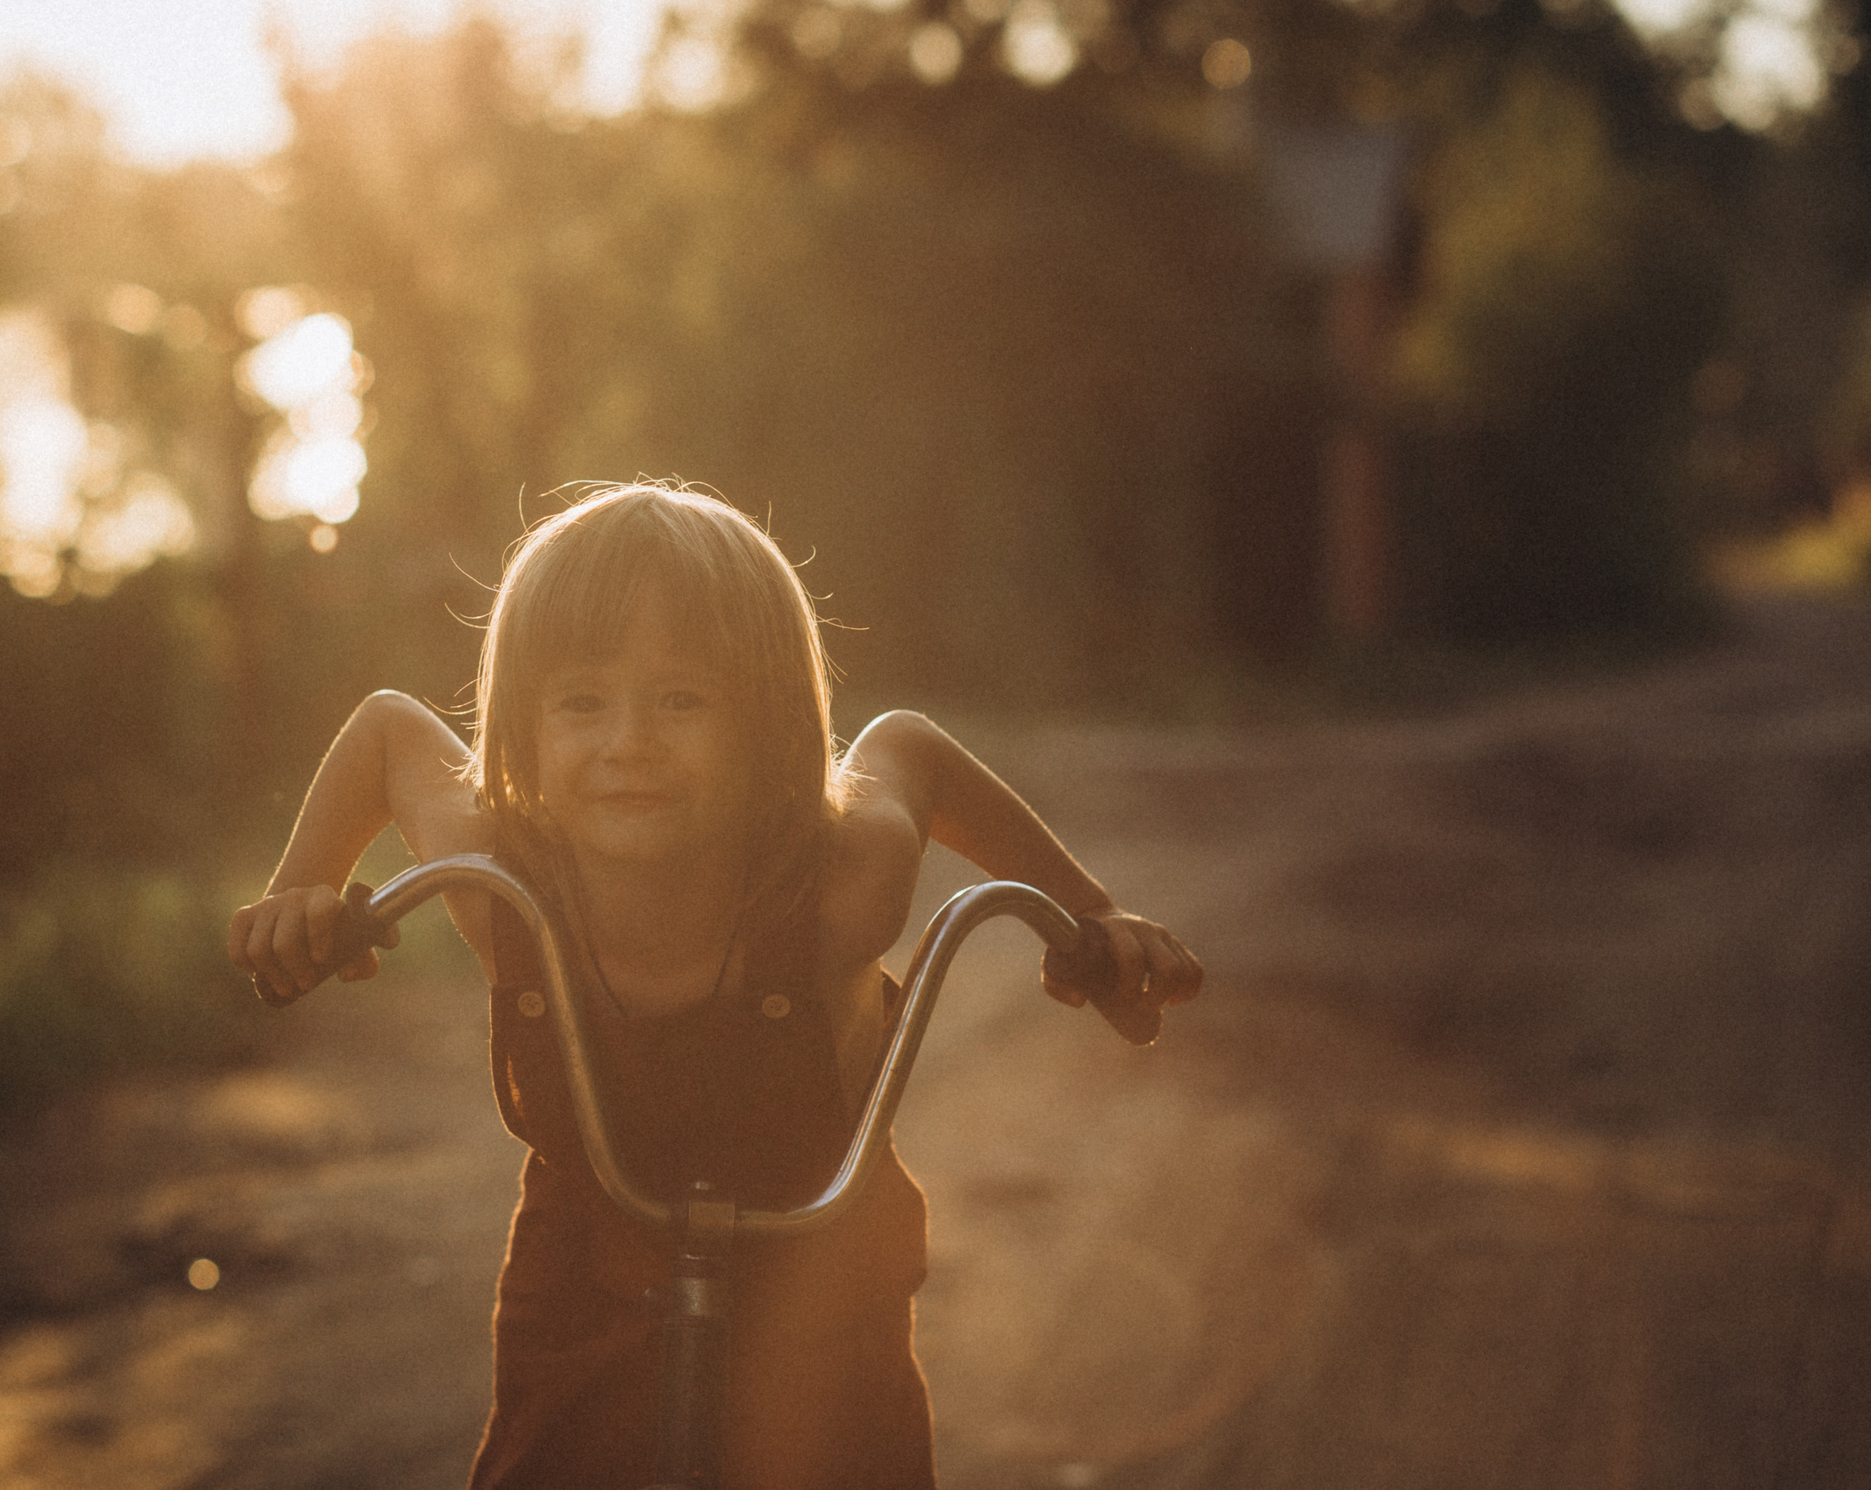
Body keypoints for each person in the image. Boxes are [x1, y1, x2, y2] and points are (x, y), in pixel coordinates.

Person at [227, 483, 1202, 1489]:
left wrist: (1091, 922)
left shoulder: (839, 892)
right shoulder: (505, 892)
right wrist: (300, 890)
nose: (628, 743)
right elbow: (392, 731)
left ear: (769, 726)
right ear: (523, 723)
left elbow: (907, 751)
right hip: (587, 1274)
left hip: (818, 1274)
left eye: (682, 699)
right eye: (580, 702)